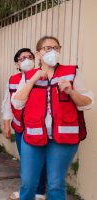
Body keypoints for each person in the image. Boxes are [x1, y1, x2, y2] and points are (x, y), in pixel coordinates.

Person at [12, 36, 94, 200]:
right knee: (28, 183)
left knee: (56, 183)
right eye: (47, 48)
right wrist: (32, 80)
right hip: (33, 137)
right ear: (38, 53)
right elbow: (17, 103)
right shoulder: (29, 75)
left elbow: (87, 103)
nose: (53, 51)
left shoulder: (71, 72)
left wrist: (71, 91)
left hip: (63, 139)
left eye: (56, 48)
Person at [1, 48, 46, 200]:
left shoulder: (43, 76)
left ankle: (39, 192)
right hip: (20, 127)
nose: (26, 60)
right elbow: (7, 103)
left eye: (29, 57)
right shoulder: (13, 79)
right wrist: (6, 124)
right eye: (22, 58)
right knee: (26, 161)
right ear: (17, 64)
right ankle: (30, 190)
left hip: (39, 127)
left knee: (39, 160)